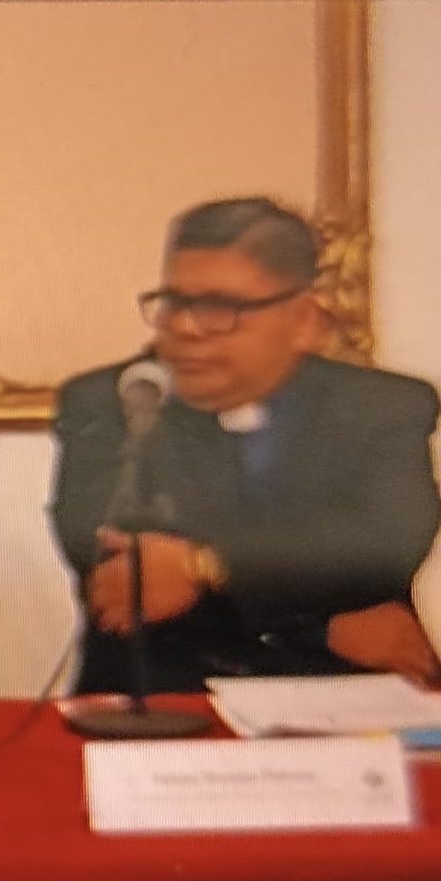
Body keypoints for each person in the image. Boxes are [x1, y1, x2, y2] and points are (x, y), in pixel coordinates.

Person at [50, 196, 441, 694]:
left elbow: (383, 543)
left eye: (219, 308)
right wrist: (318, 626)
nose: (185, 328)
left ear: (304, 321)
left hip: (350, 697)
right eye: (173, 303)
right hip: (160, 698)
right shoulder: (112, 400)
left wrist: (202, 565)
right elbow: (114, 566)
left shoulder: (384, 405)